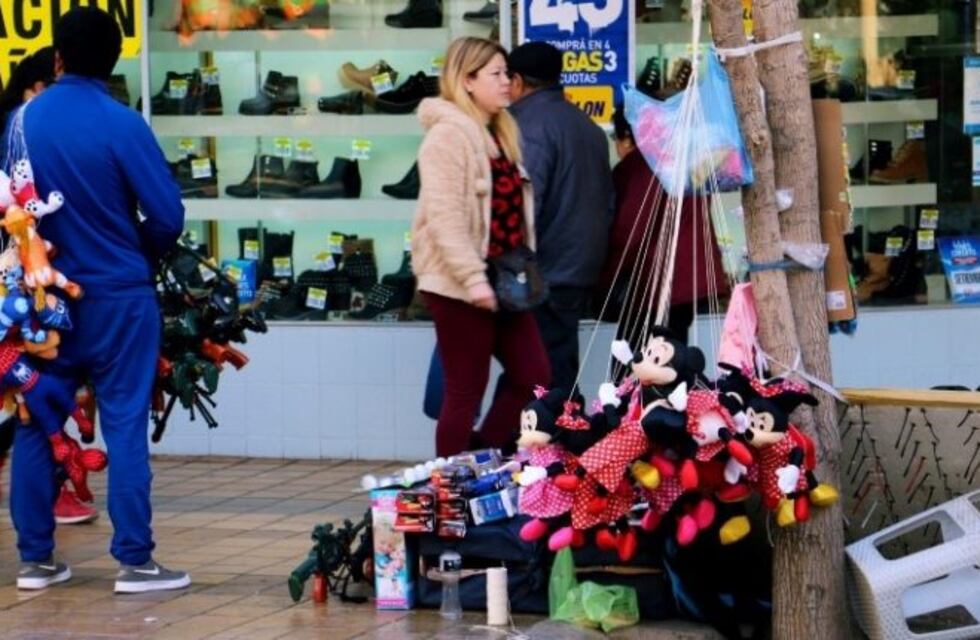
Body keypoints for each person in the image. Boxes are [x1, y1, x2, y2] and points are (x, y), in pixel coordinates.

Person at [10, 7, 187, 593]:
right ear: (112, 62)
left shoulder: (18, 123)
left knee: (37, 422)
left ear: (56, 57)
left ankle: (37, 559)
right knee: (126, 424)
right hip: (119, 299)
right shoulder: (123, 123)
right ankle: (135, 561)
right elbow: (168, 215)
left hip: (41, 302)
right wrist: (137, 252)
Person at [412, 36, 551, 457]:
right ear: (467, 81)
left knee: (534, 376)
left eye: (507, 73)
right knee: (465, 390)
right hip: (460, 282)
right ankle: (450, 490)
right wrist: (473, 280)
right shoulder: (448, 138)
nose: (508, 82)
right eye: (496, 74)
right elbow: (445, 218)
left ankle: (480, 456)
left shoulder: (499, 133)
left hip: (505, 277)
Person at [0, 47, 100, 526]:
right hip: (15, 290)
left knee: (33, 397)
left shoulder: (32, 132)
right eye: (46, 91)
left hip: (33, 287)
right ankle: (48, 501)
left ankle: (49, 499)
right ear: (32, 89)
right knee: (30, 395)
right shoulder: (16, 134)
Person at [508, 41, 614, 394]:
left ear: (517, 80)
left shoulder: (527, 126)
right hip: (579, 264)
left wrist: (508, 261)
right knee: (558, 360)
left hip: (543, 269)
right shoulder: (589, 127)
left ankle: (545, 441)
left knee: (537, 369)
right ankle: (563, 436)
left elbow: (526, 202)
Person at [596, 106, 728, 344]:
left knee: (638, 362)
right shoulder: (684, 161)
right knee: (672, 356)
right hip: (686, 280)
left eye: (616, 138)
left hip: (654, 284)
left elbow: (629, 234)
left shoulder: (639, 166)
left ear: (628, 137)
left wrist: (605, 281)